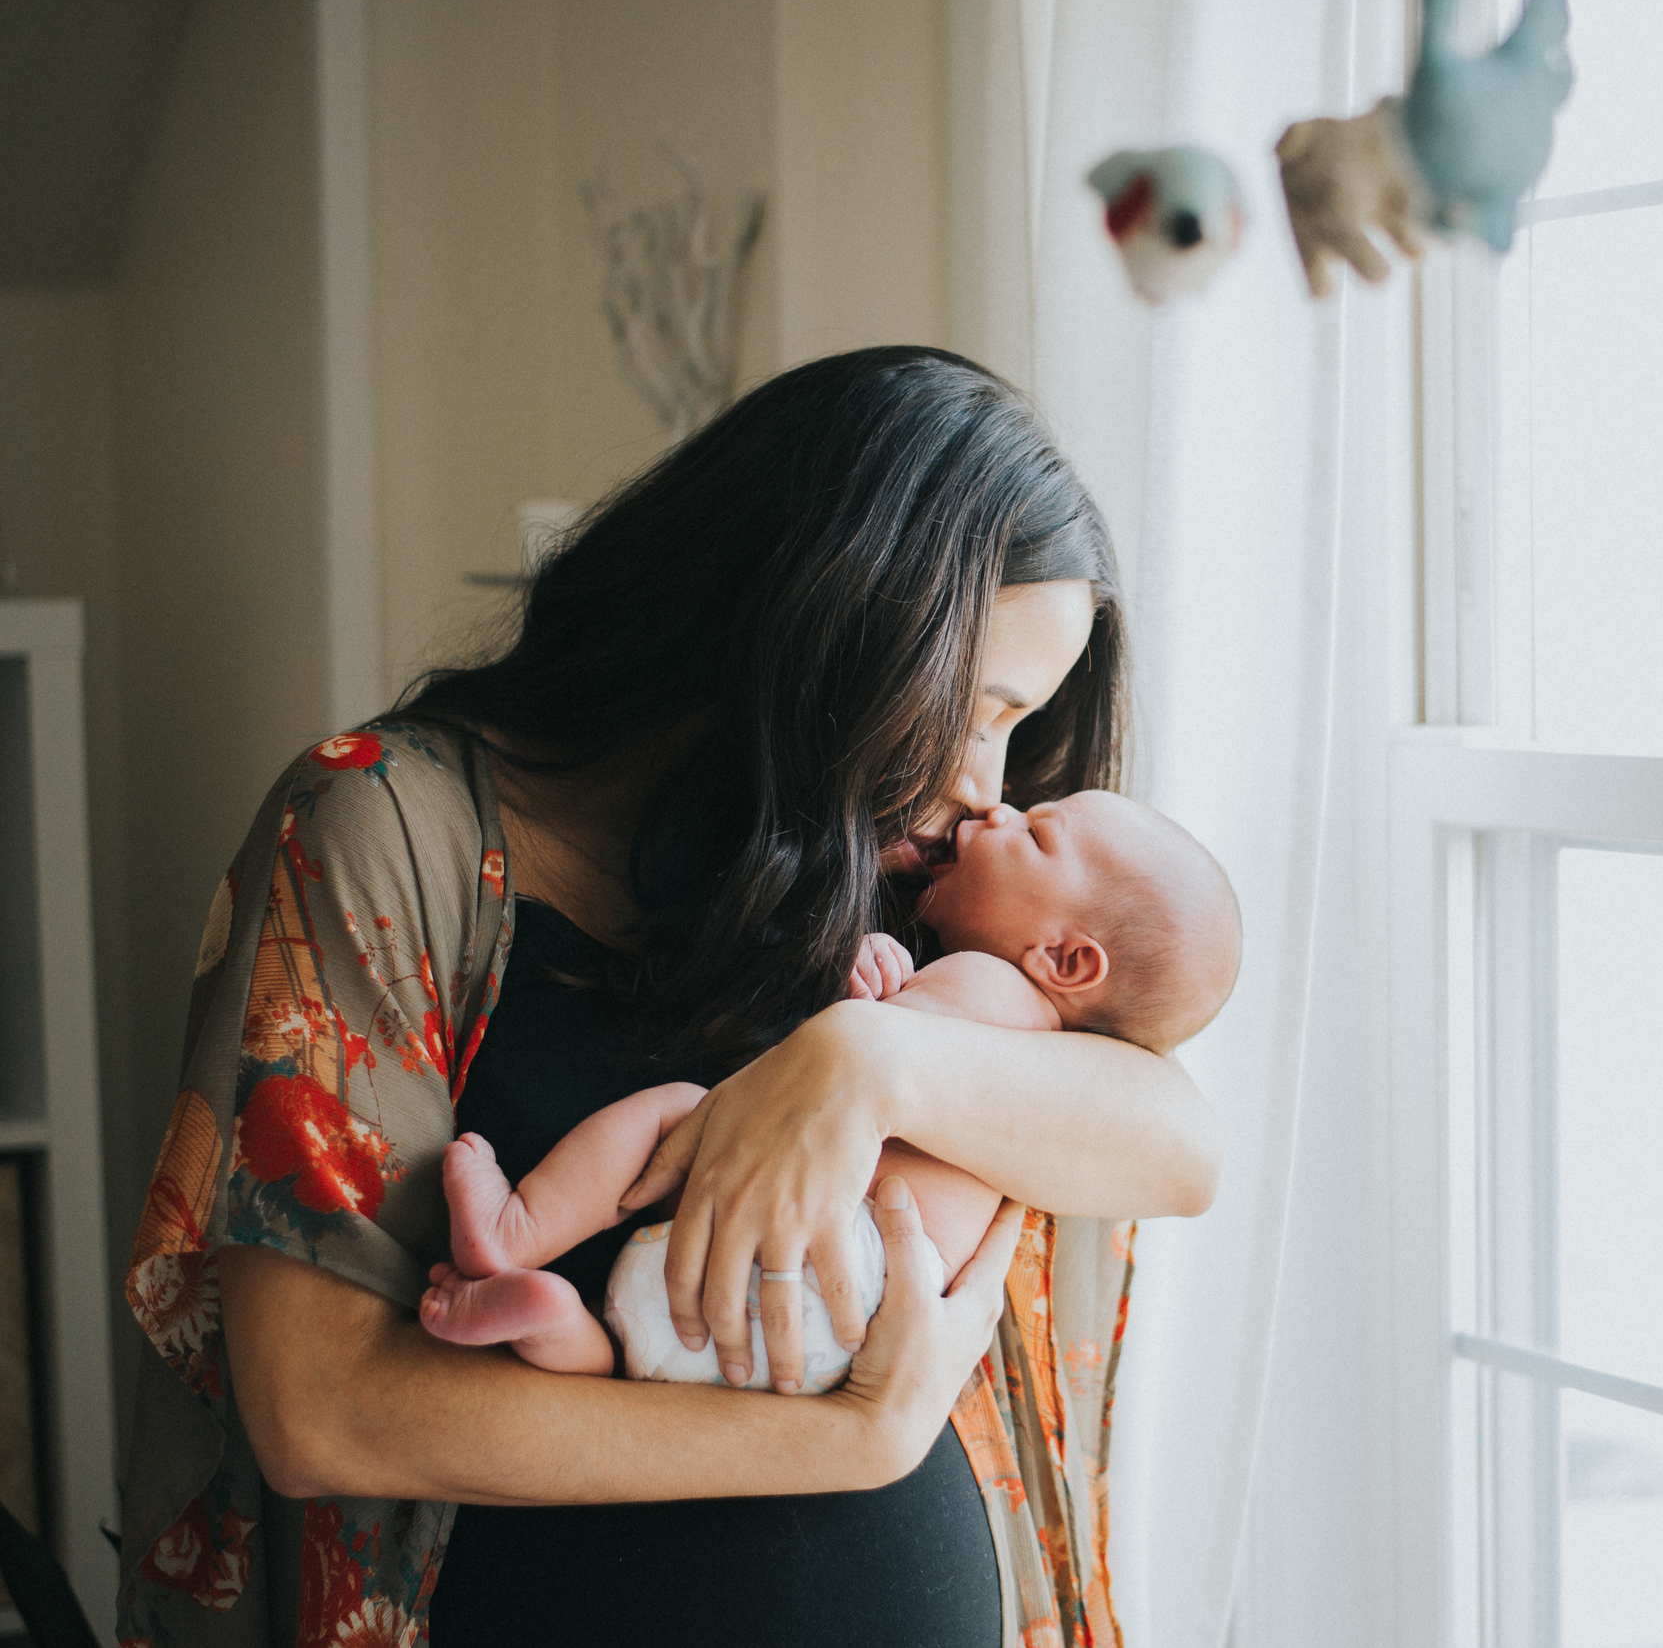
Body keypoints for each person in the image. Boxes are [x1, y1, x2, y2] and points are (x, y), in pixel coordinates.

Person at [117, 348, 1221, 1648]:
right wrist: (845, 1440)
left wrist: (868, 1064)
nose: (991, 785)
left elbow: (1179, 1143)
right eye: (978, 711)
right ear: (836, 616)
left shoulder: (889, 876)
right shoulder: (384, 825)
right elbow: (324, 1409)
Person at [418, 789, 1242, 1385]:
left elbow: (830, 1061)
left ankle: (517, 1229)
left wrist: (860, 980)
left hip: (816, 1253)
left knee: (679, 1117)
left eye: (1033, 833)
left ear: (1064, 959)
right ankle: (568, 1332)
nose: (995, 809)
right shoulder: (1050, 1071)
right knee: (638, 1354)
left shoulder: (990, 990)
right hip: (840, 1335)